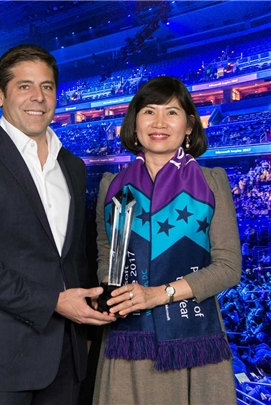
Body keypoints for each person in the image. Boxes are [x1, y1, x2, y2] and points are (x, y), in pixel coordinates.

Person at [0, 43, 114, 404]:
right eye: (24, 86)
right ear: (0, 95)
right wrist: (55, 302)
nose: (38, 97)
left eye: (47, 86)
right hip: (0, 362)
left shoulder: (73, 166)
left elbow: (72, 257)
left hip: (68, 356)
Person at [93, 76, 241, 404]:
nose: (159, 122)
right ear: (134, 124)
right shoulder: (111, 186)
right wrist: (111, 288)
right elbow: (106, 252)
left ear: (189, 126)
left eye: (171, 112)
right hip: (128, 344)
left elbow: (229, 268)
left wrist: (157, 295)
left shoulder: (212, 182)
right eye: (149, 111)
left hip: (194, 346)